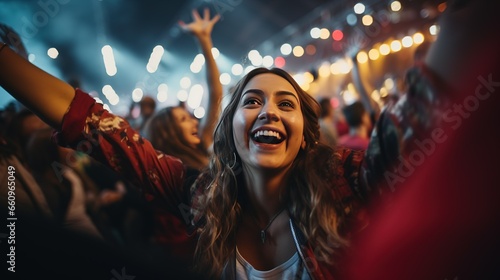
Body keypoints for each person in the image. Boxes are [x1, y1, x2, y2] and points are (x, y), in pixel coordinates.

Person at [0, 15, 444, 280]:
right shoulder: (197, 196)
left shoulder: (349, 183)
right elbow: (88, 123)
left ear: (306, 133)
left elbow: (428, 106)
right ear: (229, 129)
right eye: (251, 102)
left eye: (285, 103)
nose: (268, 111)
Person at [144, 8, 222, 171]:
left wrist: (204, 40)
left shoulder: (204, 145)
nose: (194, 121)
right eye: (183, 120)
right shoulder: (171, 177)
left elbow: (215, 95)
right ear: (168, 134)